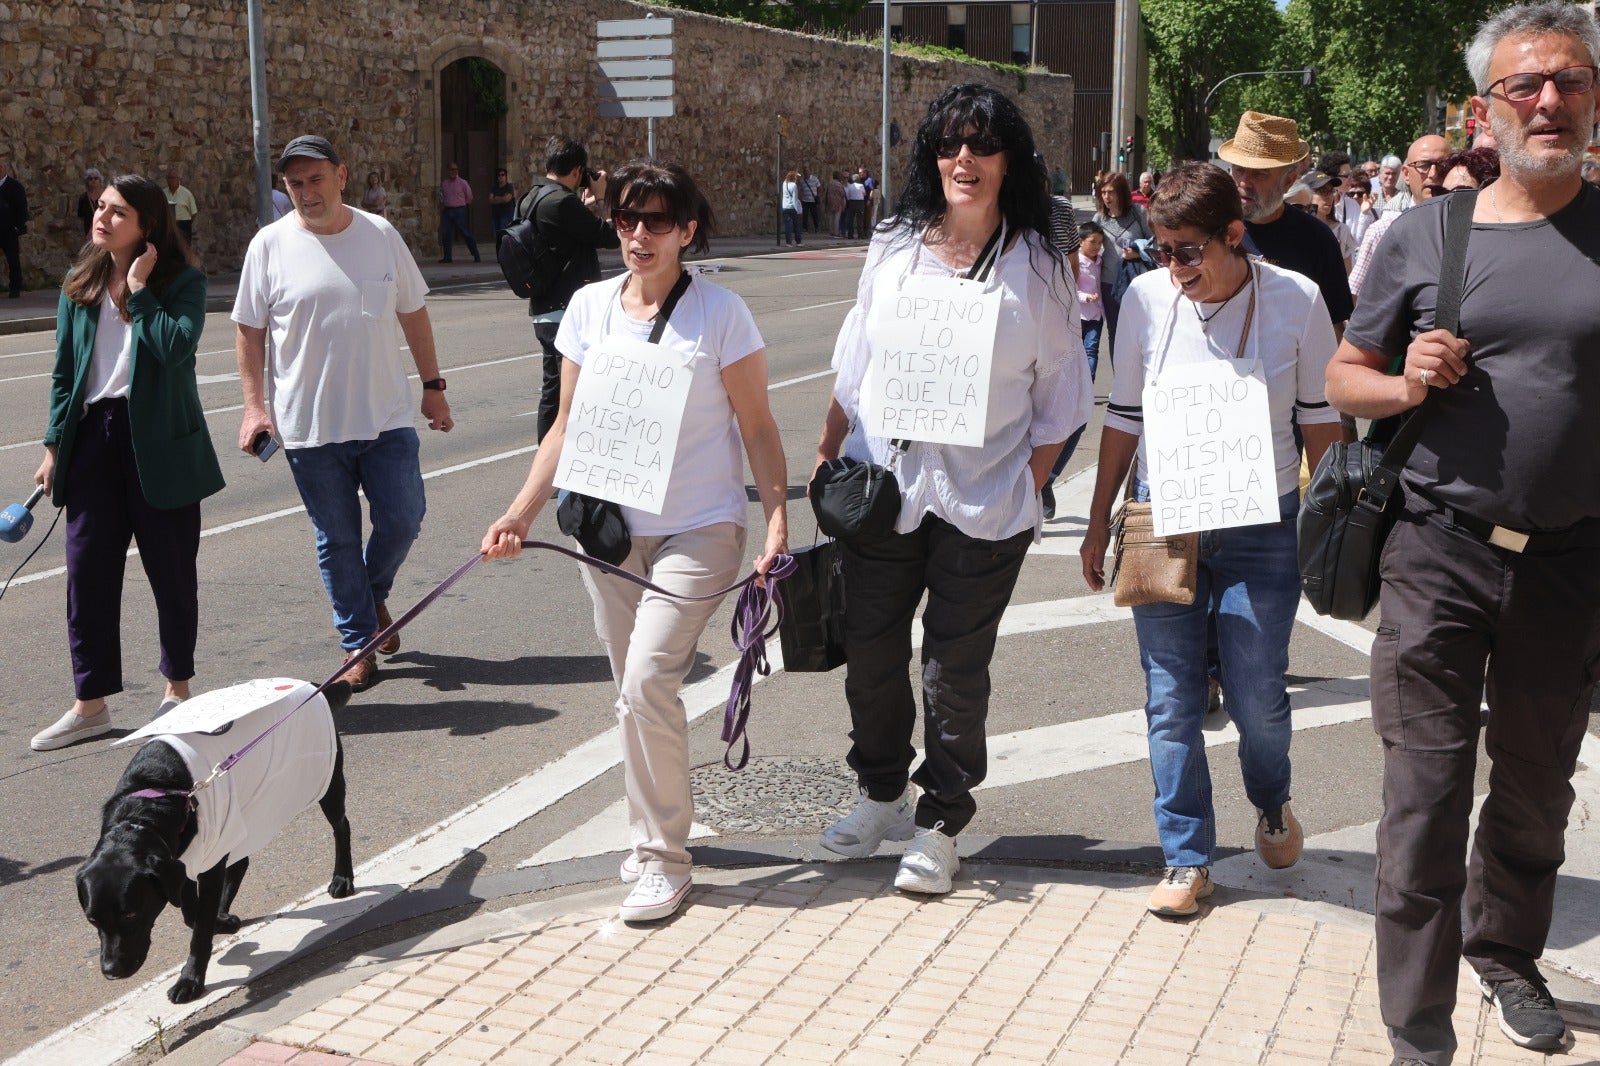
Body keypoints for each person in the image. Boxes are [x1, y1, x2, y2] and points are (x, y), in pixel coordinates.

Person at [1326, 5, 1600, 1061]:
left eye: (1570, 81)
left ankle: (1506, 955)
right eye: (1525, 84)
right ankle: (1418, 1026)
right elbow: (1342, 377)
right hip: (1436, 550)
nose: (1549, 101)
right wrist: (1403, 382)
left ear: (1594, 99)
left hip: (1570, 562)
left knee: (1534, 789)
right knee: (1424, 798)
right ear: (1485, 109)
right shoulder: (1426, 234)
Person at [482, 160, 789, 923]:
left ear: (688, 230)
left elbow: (757, 426)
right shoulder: (588, 309)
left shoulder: (720, 314)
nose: (639, 234)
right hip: (610, 532)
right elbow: (565, 426)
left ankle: (662, 857)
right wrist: (519, 513)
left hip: (700, 527)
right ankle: (656, 827)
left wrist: (778, 520)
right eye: (626, 219)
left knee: (648, 680)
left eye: (656, 221)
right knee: (635, 692)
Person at [814, 83, 1091, 896]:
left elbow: (1061, 401)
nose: (963, 159)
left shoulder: (1038, 265)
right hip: (886, 490)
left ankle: (940, 823)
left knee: (954, 672)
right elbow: (854, 362)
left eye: (981, 145)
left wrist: (1025, 488)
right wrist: (826, 452)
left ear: (1009, 161)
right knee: (870, 657)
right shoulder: (894, 244)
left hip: (985, 501)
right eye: (948, 144)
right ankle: (881, 796)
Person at [1080, 162, 1342, 917]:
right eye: (1162, 250)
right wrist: (1098, 521)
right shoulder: (1145, 299)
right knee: (1171, 698)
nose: (1173, 266)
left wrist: (1331, 528)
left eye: (1188, 251)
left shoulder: (1296, 299)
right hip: (1164, 520)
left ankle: (1271, 799)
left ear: (1234, 234)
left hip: (1264, 525)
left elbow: (1321, 419)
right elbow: (1125, 413)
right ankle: (1186, 857)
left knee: (1258, 696)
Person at [233, 135, 455, 692]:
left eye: (316, 179)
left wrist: (433, 386)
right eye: (295, 183)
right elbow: (249, 329)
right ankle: (358, 641)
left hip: (385, 416)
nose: (306, 192)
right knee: (336, 538)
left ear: (342, 176)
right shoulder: (268, 246)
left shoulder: (380, 235)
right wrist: (254, 408)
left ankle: (371, 595)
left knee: (404, 518)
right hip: (309, 426)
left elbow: (413, 313)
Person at [30, 174, 224, 751]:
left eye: (118, 212)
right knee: (86, 573)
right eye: (101, 207)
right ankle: (90, 704)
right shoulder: (80, 283)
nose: (102, 217)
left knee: (171, 572)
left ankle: (177, 692)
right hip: (94, 438)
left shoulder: (183, 282)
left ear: (147, 225)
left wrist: (139, 290)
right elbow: (65, 372)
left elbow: (175, 348)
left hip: (159, 441)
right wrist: (53, 445)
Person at [519, 135, 619, 444]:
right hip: (567, 311)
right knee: (572, 392)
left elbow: (560, 237)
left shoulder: (531, 198)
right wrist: (602, 199)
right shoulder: (563, 203)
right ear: (577, 171)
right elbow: (611, 236)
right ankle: (560, 458)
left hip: (544, 307)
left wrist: (582, 208)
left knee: (553, 389)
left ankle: (547, 456)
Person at [1221, 112, 1354, 335]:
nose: (1244, 182)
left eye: (1259, 174)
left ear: (1288, 181)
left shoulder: (1318, 241)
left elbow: (1334, 328)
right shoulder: (1212, 228)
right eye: (1239, 169)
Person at [1040, 220, 1107, 520]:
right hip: (1031, 339)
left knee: (1077, 414)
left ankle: (1047, 479)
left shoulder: (1060, 213)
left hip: (1065, 331)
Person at [1093, 170, 1153, 359]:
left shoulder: (1138, 212)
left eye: (1111, 192)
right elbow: (1088, 250)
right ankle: (1119, 375)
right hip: (1110, 283)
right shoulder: (1099, 218)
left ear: (1121, 192)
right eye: (1103, 192)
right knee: (1115, 332)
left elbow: (1156, 243)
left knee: (1140, 331)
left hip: (1137, 282)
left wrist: (1138, 252)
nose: (1106, 197)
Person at [1306, 172, 1356, 270]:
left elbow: (1347, 271)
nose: (1329, 197)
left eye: (1331, 191)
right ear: (1307, 194)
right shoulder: (1298, 228)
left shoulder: (1342, 231)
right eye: (1323, 191)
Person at [437, 161, 478, 263]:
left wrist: (463, 205)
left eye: (456, 169)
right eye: (451, 169)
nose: (454, 171)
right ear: (448, 170)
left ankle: (475, 253)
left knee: (465, 233)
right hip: (448, 210)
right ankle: (447, 257)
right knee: (446, 233)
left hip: (459, 210)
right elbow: (442, 196)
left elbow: (469, 196)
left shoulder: (463, 183)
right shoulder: (444, 184)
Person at [0, 156, 27, 297]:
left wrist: (18, 226)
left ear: (5, 168)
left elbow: (22, 208)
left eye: (0, 167)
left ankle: (15, 288)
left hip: (9, 231)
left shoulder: (15, 186)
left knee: (13, 260)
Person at [164, 168, 197, 243]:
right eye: (169, 178)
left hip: (183, 226)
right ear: (167, 179)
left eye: (174, 178)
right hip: (169, 227)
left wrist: (185, 224)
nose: (171, 180)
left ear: (179, 179)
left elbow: (194, 213)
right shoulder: (163, 193)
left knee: (184, 249)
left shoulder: (187, 194)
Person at [77, 168, 105, 236]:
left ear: (100, 180)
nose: (93, 180)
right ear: (87, 181)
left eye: (96, 178)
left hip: (104, 229)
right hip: (89, 231)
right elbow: (81, 215)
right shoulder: (83, 198)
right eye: (90, 179)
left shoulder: (106, 196)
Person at [489, 166, 516, 234]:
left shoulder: (509, 187)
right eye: (499, 175)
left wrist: (496, 198)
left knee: (504, 232)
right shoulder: (494, 187)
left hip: (507, 213)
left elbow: (507, 199)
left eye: (502, 175)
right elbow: (491, 200)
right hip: (496, 213)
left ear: (506, 176)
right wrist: (502, 198)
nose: (500, 176)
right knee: (497, 233)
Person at [781, 169, 803, 246]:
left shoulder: (784, 184)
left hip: (785, 207)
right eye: (796, 177)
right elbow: (794, 199)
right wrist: (798, 210)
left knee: (788, 226)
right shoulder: (794, 186)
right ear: (793, 177)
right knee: (797, 225)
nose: (797, 179)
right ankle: (798, 241)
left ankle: (788, 242)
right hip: (792, 207)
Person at [823, 170, 846, 237]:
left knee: (831, 217)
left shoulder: (830, 183)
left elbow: (827, 192)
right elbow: (842, 193)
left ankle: (831, 232)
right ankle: (836, 232)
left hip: (830, 201)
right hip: (838, 202)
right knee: (837, 217)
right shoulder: (839, 184)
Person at [842, 172, 865, 237]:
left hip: (852, 202)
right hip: (860, 203)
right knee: (859, 219)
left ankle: (850, 234)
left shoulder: (850, 186)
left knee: (851, 219)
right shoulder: (861, 186)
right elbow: (864, 193)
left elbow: (848, 195)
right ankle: (860, 234)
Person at [799, 165, 821, 232]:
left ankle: (816, 227)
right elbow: (801, 189)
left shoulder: (815, 179)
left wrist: (817, 195)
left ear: (810, 172)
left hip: (812, 200)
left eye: (807, 171)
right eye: (805, 171)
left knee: (814, 214)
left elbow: (818, 187)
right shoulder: (802, 180)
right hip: (805, 200)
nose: (806, 173)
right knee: (805, 215)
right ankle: (805, 228)